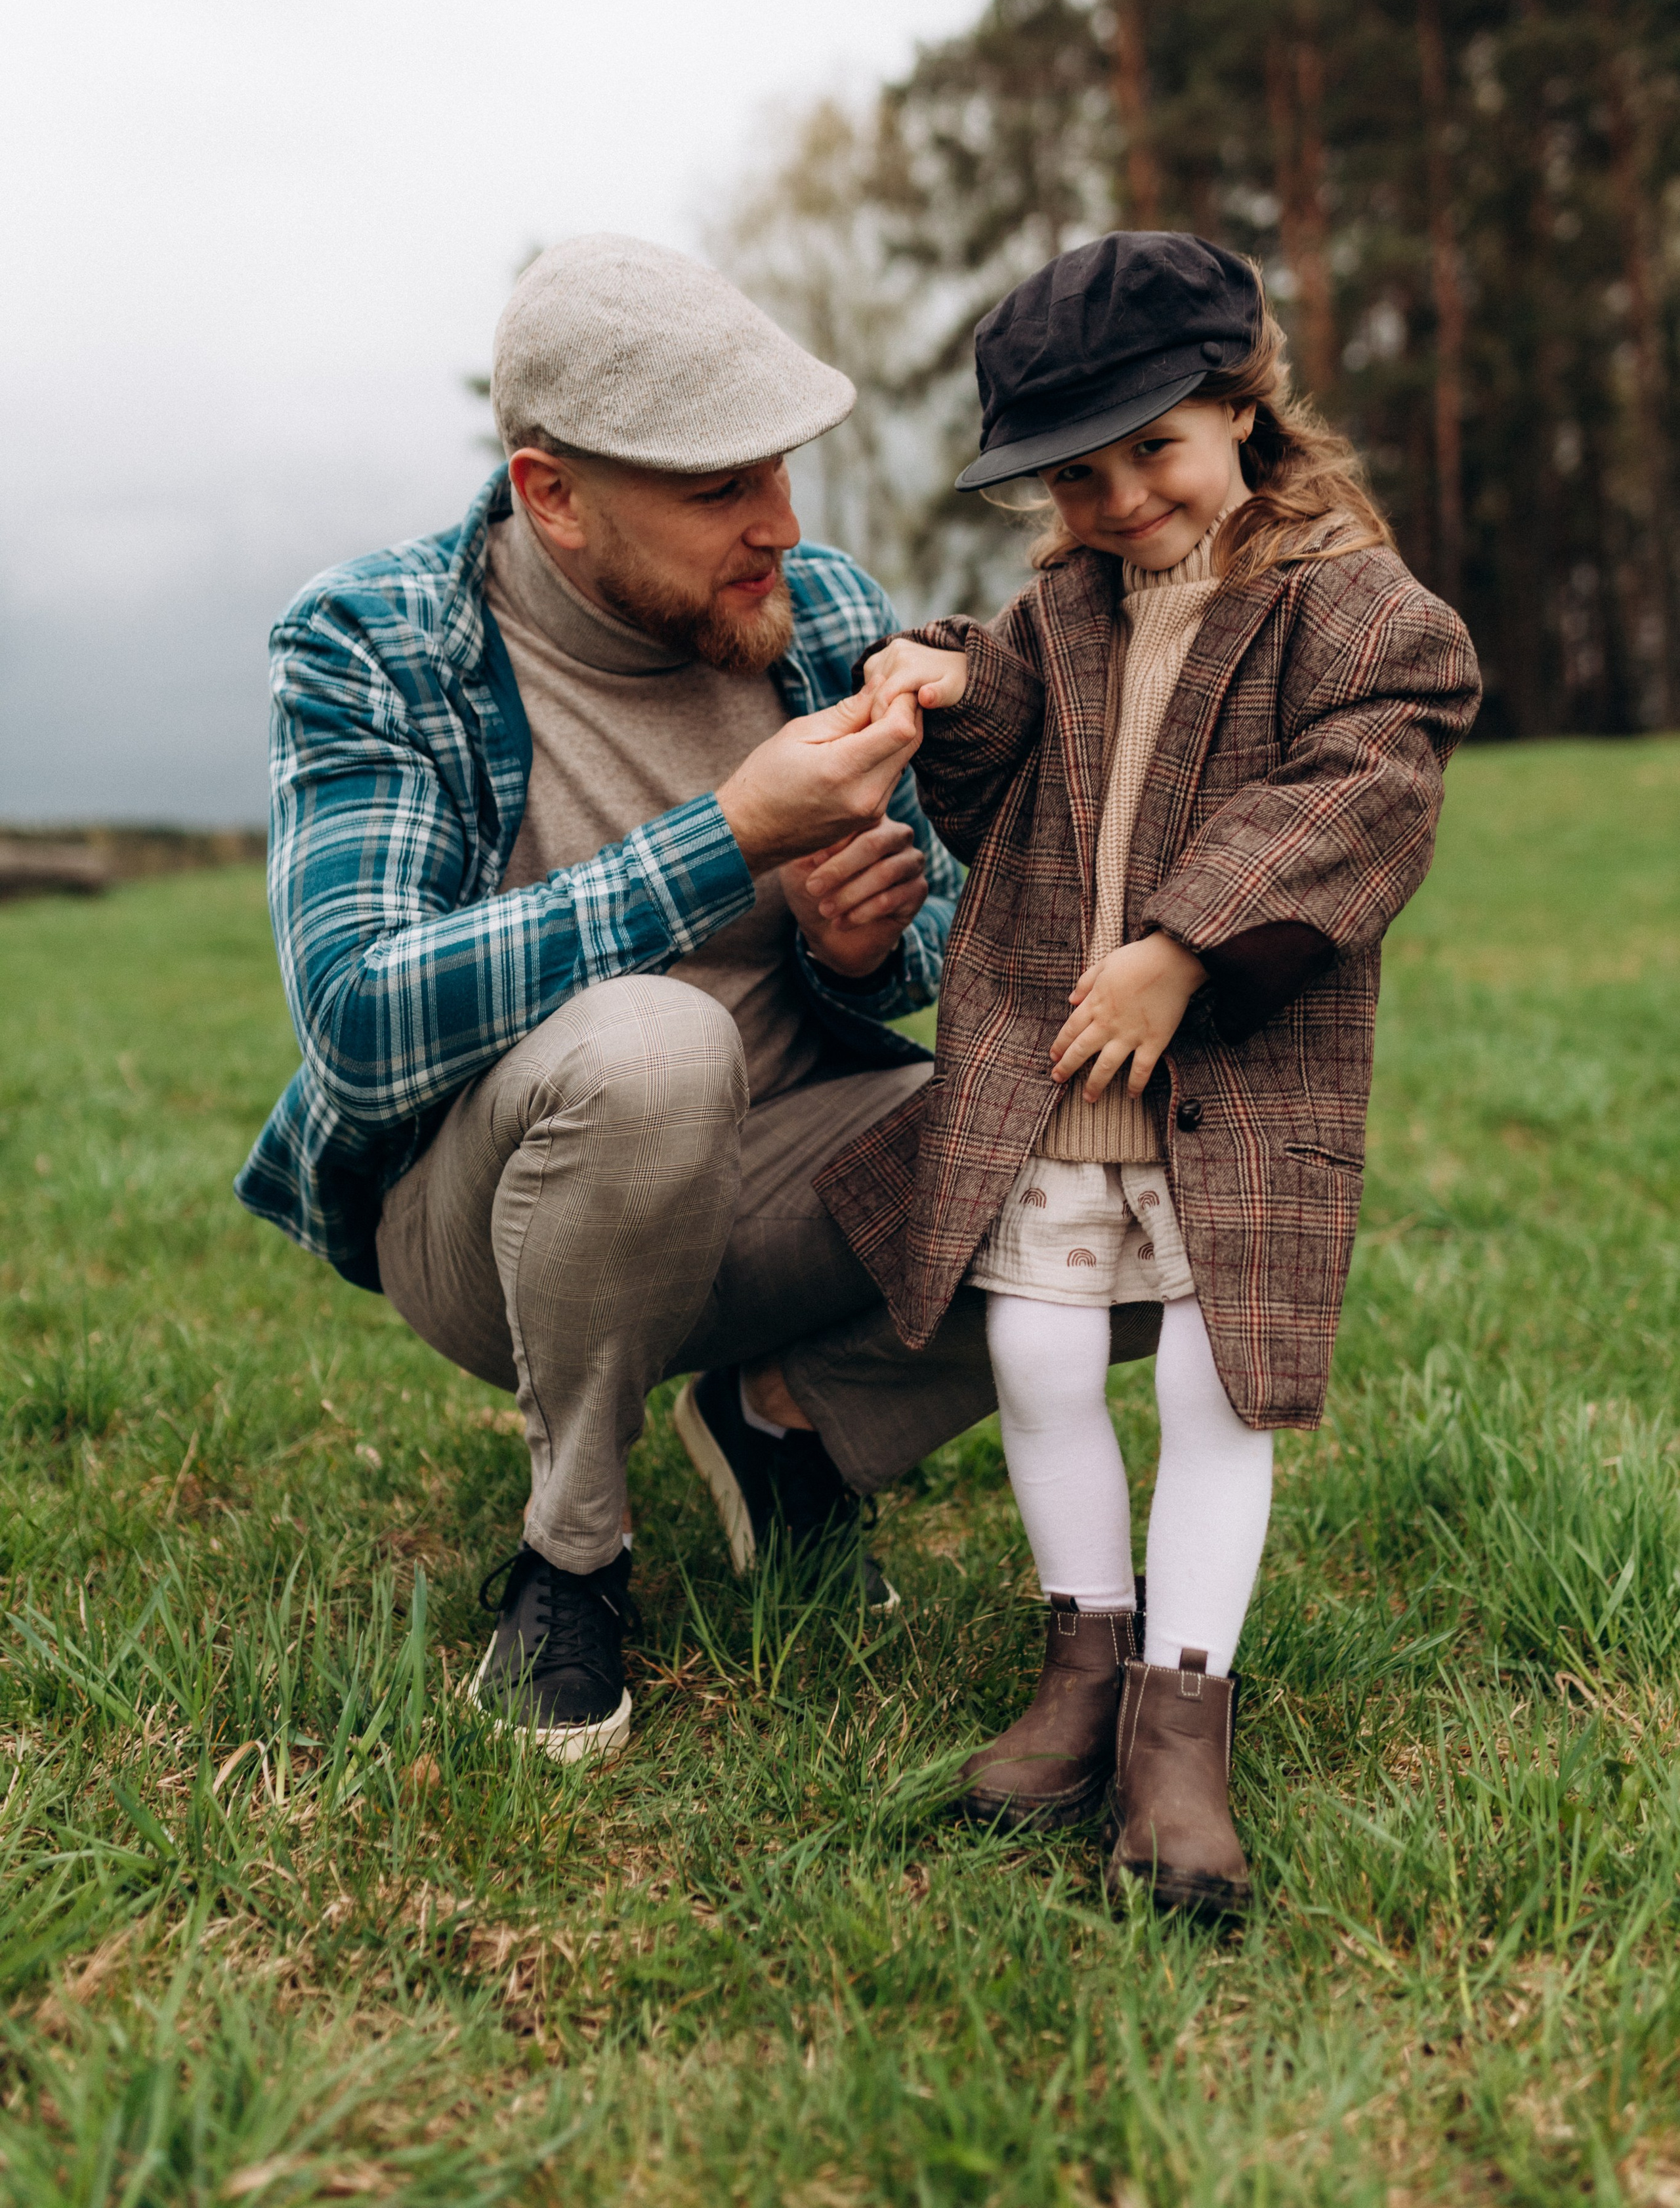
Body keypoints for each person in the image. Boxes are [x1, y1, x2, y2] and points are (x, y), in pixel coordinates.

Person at [237, 234, 1034, 1769]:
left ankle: (786, 1424)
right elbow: (358, 1012)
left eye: (782, 472)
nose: (780, 525)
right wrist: (727, 837)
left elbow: (957, 922)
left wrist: (864, 949)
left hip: (783, 1171)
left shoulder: (821, 613)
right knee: (654, 1042)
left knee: (1126, 1126)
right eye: (717, 487)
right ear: (552, 494)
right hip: (491, 1225)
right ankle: (570, 1562)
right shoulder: (376, 639)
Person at [831, 230, 1480, 1915]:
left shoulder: (1350, 602)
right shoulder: (1063, 607)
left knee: (1212, 1386)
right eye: (1079, 475)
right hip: (1054, 1068)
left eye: (1155, 452)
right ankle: (1083, 1667)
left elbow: (1368, 787)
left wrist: (1184, 940)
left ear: (1242, 413)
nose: (1121, 500)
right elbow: (1000, 777)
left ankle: (1179, 1728)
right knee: (1037, 1359)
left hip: (1235, 1080)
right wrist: (951, 683)